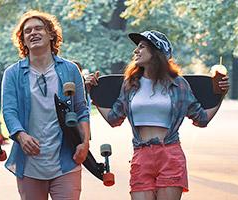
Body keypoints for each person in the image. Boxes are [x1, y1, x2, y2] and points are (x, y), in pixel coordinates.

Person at [86, 30, 229, 200]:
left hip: (170, 155)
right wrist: (92, 93)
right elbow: (114, 119)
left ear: (157, 52)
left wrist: (221, 95)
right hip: (141, 154)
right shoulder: (130, 84)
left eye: (142, 46)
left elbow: (201, 119)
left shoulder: (179, 84)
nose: (136, 51)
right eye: (137, 47)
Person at [1, 10, 90, 200]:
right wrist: (21, 135)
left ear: (51, 34)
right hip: (30, 163)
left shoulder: (70, 69)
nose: (33, 33)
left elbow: (81, 109)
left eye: (39, 28)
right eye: (27, 31)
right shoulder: (12, 74)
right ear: (23, 41)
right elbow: (9, 111)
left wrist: (85, 142)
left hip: (66, 161)